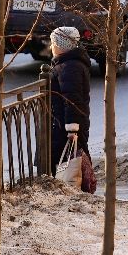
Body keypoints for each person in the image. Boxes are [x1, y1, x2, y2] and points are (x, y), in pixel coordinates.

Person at [46, 26, 92, 177]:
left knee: (70, 163)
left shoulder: (69, 67)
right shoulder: (69, 63)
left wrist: (72, 129)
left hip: (66, 126)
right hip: (66, 123)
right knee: (73, 160)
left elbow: (72, 99)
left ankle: (78, 189)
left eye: (53, 43)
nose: (51, 46)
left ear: (61, 46)